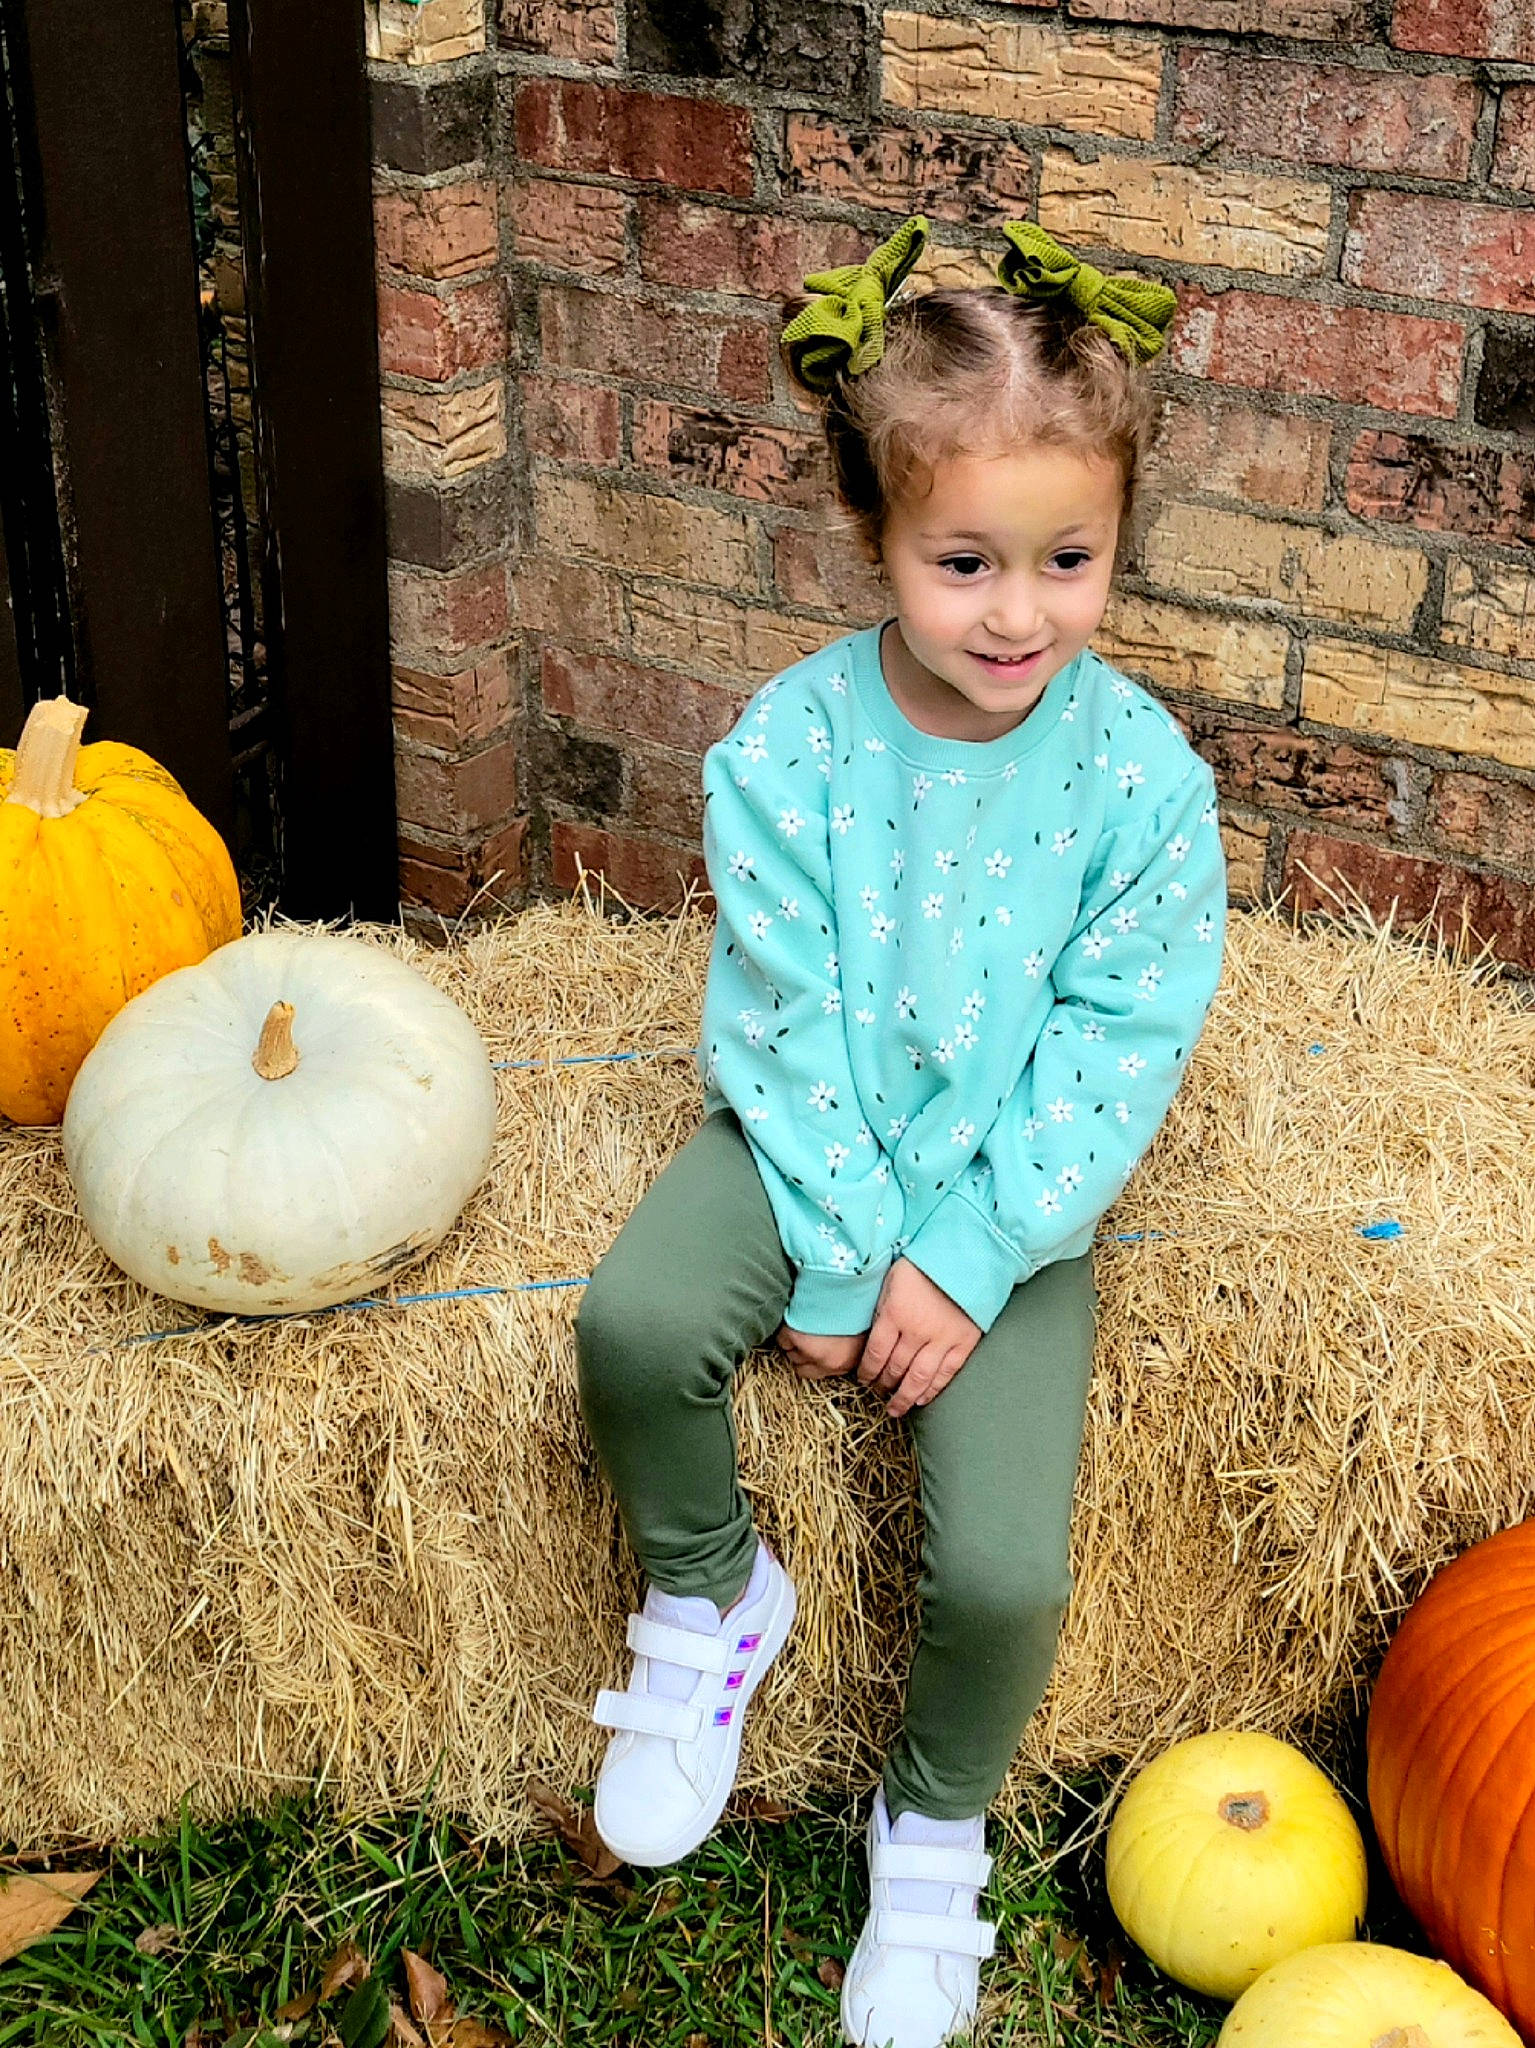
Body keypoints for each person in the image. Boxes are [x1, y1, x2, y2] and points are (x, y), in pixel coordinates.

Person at [574, 213, 1228, 2048]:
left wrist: (964, 1255)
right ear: (871, 534)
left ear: (1112, 543)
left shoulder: (1141, 785)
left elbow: (1118, 1046)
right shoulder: (789, 753)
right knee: (629, 1329)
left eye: (1067, 559)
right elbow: (778, 1032)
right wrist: (849, 1253)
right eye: (964, 562)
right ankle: (713, 1593)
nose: (1017, 612)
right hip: (809, 1148)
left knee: (1007, 1565)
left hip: (1013, 1194)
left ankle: (931, 1822)